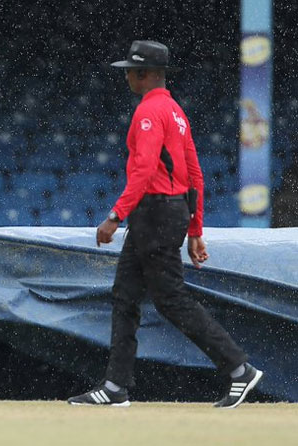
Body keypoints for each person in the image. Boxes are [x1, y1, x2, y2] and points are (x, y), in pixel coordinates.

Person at [67, 41, 263, 409]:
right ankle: (115, 386)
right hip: (167, 213)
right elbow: (195, 175)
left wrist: (114, 216)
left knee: (170, 299)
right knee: (125, 296)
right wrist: (195, 229)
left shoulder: (148, 113)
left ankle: (239, 369)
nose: (126, 75)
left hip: (153, 213)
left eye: (130, 69)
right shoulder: (174, 111)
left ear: (145, 74)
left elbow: (142, 171)